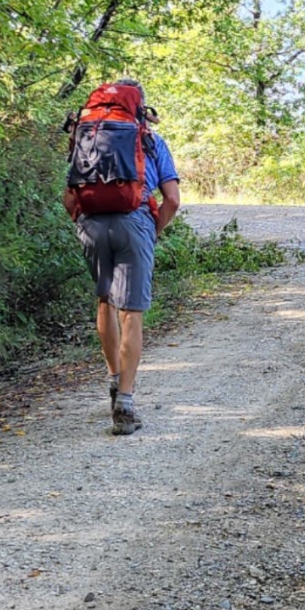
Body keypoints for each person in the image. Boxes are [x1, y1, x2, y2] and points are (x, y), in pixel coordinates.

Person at [64, 78, 180, 434]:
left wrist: (85, 223)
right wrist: (152, 231)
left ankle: (114, 379)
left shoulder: (86, 138)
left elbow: (70, 198)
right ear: (140, 107)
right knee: (132, 313)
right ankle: (125, 406)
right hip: (135, 224)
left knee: (105, 301)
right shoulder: (151, 140)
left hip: (91, 224)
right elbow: (172, 200)